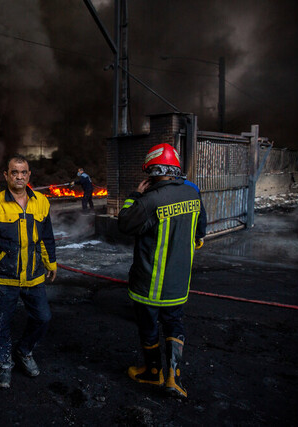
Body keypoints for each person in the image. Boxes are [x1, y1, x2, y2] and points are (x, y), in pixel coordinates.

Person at [117, 143, 206, 398]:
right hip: (179, 281)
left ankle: (153, 372)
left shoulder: (151, 199)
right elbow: (200, 232)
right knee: (174, 323)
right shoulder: (193, 194)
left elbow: (124, 223)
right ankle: (173, 377)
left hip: (149, 282)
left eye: (150, 173)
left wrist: (135, 194)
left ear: (154, 171)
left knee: (148, 325)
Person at [0, 154, 57, 389]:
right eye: (14, 172)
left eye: (23, 172)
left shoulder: (42, 202)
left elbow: (46, 237)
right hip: (4, 278)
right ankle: (4, 364)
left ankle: (24, 351)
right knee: (2, 324)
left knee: (43, 318)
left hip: (34, 276)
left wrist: (51, 263)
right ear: (6, 175)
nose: (19, 176)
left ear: (29, 175)